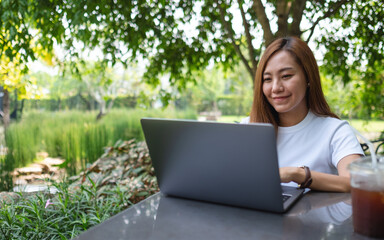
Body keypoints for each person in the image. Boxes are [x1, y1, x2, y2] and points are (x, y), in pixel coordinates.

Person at [241, 36, 364, 192]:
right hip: (251, 216)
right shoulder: (248, 128)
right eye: (267, 79)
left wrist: (298, 174)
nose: (275, 88)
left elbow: (357, 182)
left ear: (308, 78)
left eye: (286, 76)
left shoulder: (335, 131)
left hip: (313, 216)